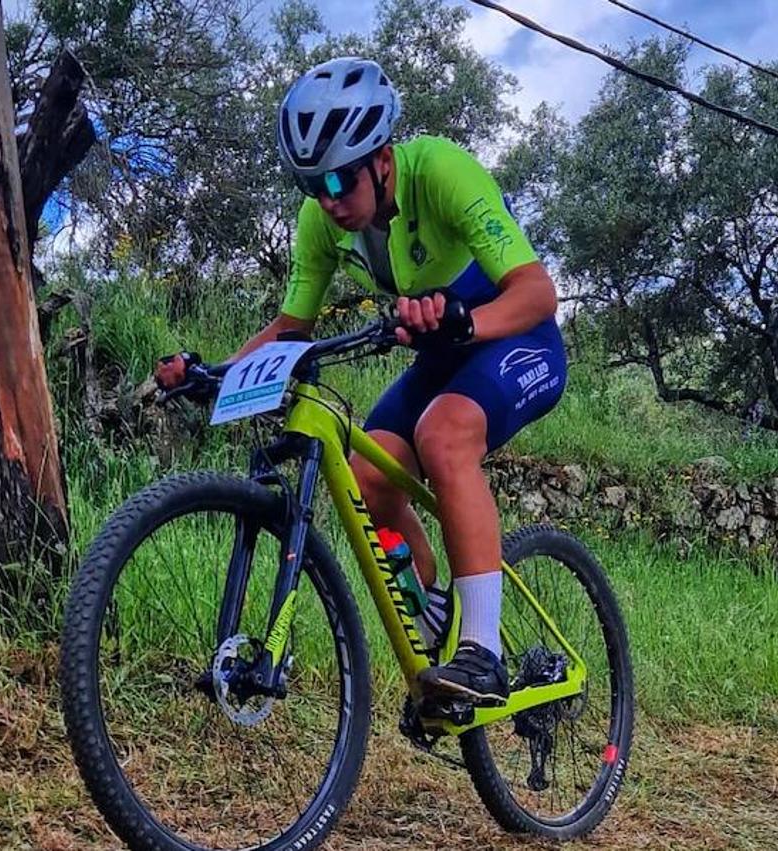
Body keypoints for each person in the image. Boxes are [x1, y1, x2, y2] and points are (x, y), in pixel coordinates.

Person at [171, 57, 567, 706]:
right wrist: (213, 371)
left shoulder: (440, 170)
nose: (327, 198)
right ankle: (431, 605)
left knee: (443, 435)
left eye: (337, 177)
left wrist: (465, 321)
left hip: (515, 337)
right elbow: (291, 327)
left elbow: (536, 293)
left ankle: (483, 653)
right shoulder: (321, 220)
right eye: (309, 183)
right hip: (442, 353)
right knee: (366, 473)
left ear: (381, 157)